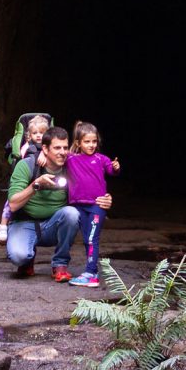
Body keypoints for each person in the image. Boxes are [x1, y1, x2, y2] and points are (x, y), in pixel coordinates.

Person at [6, 126, 111, 282]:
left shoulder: (72, 167)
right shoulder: (27, 165)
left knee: (72, 214)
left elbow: (92, 185)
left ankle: (60, 265)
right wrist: (36, 185)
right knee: (20, 256)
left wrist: (106, 198)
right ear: (45, 149)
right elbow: (13, 205)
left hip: (53, 225)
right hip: (25, 222)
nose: (62, 152)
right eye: (57, 148)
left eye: (65, 147)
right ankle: (28, 259)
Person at [65, 121, 121, 288]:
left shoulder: (101, 159)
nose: (91, 145)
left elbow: (112, 171)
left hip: (97, 205)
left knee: (92, 238)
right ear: (78, 143)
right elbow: (55, 155)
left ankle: (91, 273)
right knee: (86, 239)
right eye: (87, 141)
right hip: (78, 206)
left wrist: (116, 167)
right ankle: (90, 270)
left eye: (94, 141)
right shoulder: (71, 159)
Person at [0, 115, 50, 241]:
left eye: (42, 133)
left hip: (42, 178)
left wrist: (44, 153)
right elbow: (21, 156)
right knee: (10, 201)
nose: (38, 136)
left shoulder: (50, 148)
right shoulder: (27, 146)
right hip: (27, 179)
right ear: (29, 135)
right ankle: (3, 224)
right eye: (35, 133)